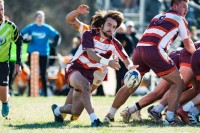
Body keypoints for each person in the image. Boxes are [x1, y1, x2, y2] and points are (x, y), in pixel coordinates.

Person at [104, 0, 196, 126]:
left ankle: (110, 114)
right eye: (184, 6)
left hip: (139, 49)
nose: (186, 10)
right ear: (175, 6)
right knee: (178, 83)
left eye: (187, 7)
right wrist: (196, 54)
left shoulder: (157, 16)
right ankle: (169, 118)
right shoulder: (180, 19)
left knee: (131, 84)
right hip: (154, 50)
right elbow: (188, 44)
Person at [52, 9, 138, 127]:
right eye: (109, 25)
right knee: (85, 86)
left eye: (114, 27)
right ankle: (94, 120)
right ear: (102, 24)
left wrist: (131, 67)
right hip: (75, 68)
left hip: (93, 73)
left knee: (76, 111)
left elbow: (126, 59)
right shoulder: (88, 32)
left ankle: (57, 110)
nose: (111, 28)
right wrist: (77, 11)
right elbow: (91, 54)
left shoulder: (114, 43)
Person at [51, 5, 109, 122]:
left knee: (81, 102)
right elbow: (69, 19)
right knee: (79, 87)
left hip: (98, 71)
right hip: (80, 68)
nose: (95, 29)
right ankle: (64, 115)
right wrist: (77, 12)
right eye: (94, 25)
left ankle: (65, 112)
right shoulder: (87, 30)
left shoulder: (108, 36)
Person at [21, 10, 61, 97]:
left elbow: (57, 36)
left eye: (42, 17)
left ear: (44, 18)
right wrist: (26, 40)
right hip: (32, 53)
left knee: (43, 73)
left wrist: (54, 45)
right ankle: (30, 94)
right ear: (35, 18)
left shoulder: (47, 28)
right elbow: (21, 35)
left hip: (44, 53)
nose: (40, 18)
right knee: (32, 73)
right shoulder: (31, 27)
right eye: (38, 17)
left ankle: (45, 94)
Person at [0, 0, 22, 117]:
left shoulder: (10, 26)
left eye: (2, 9)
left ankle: (5, 102)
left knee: (2, 95)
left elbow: (19, 42)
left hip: (3, 64)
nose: (0, 12)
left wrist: (18, 63)